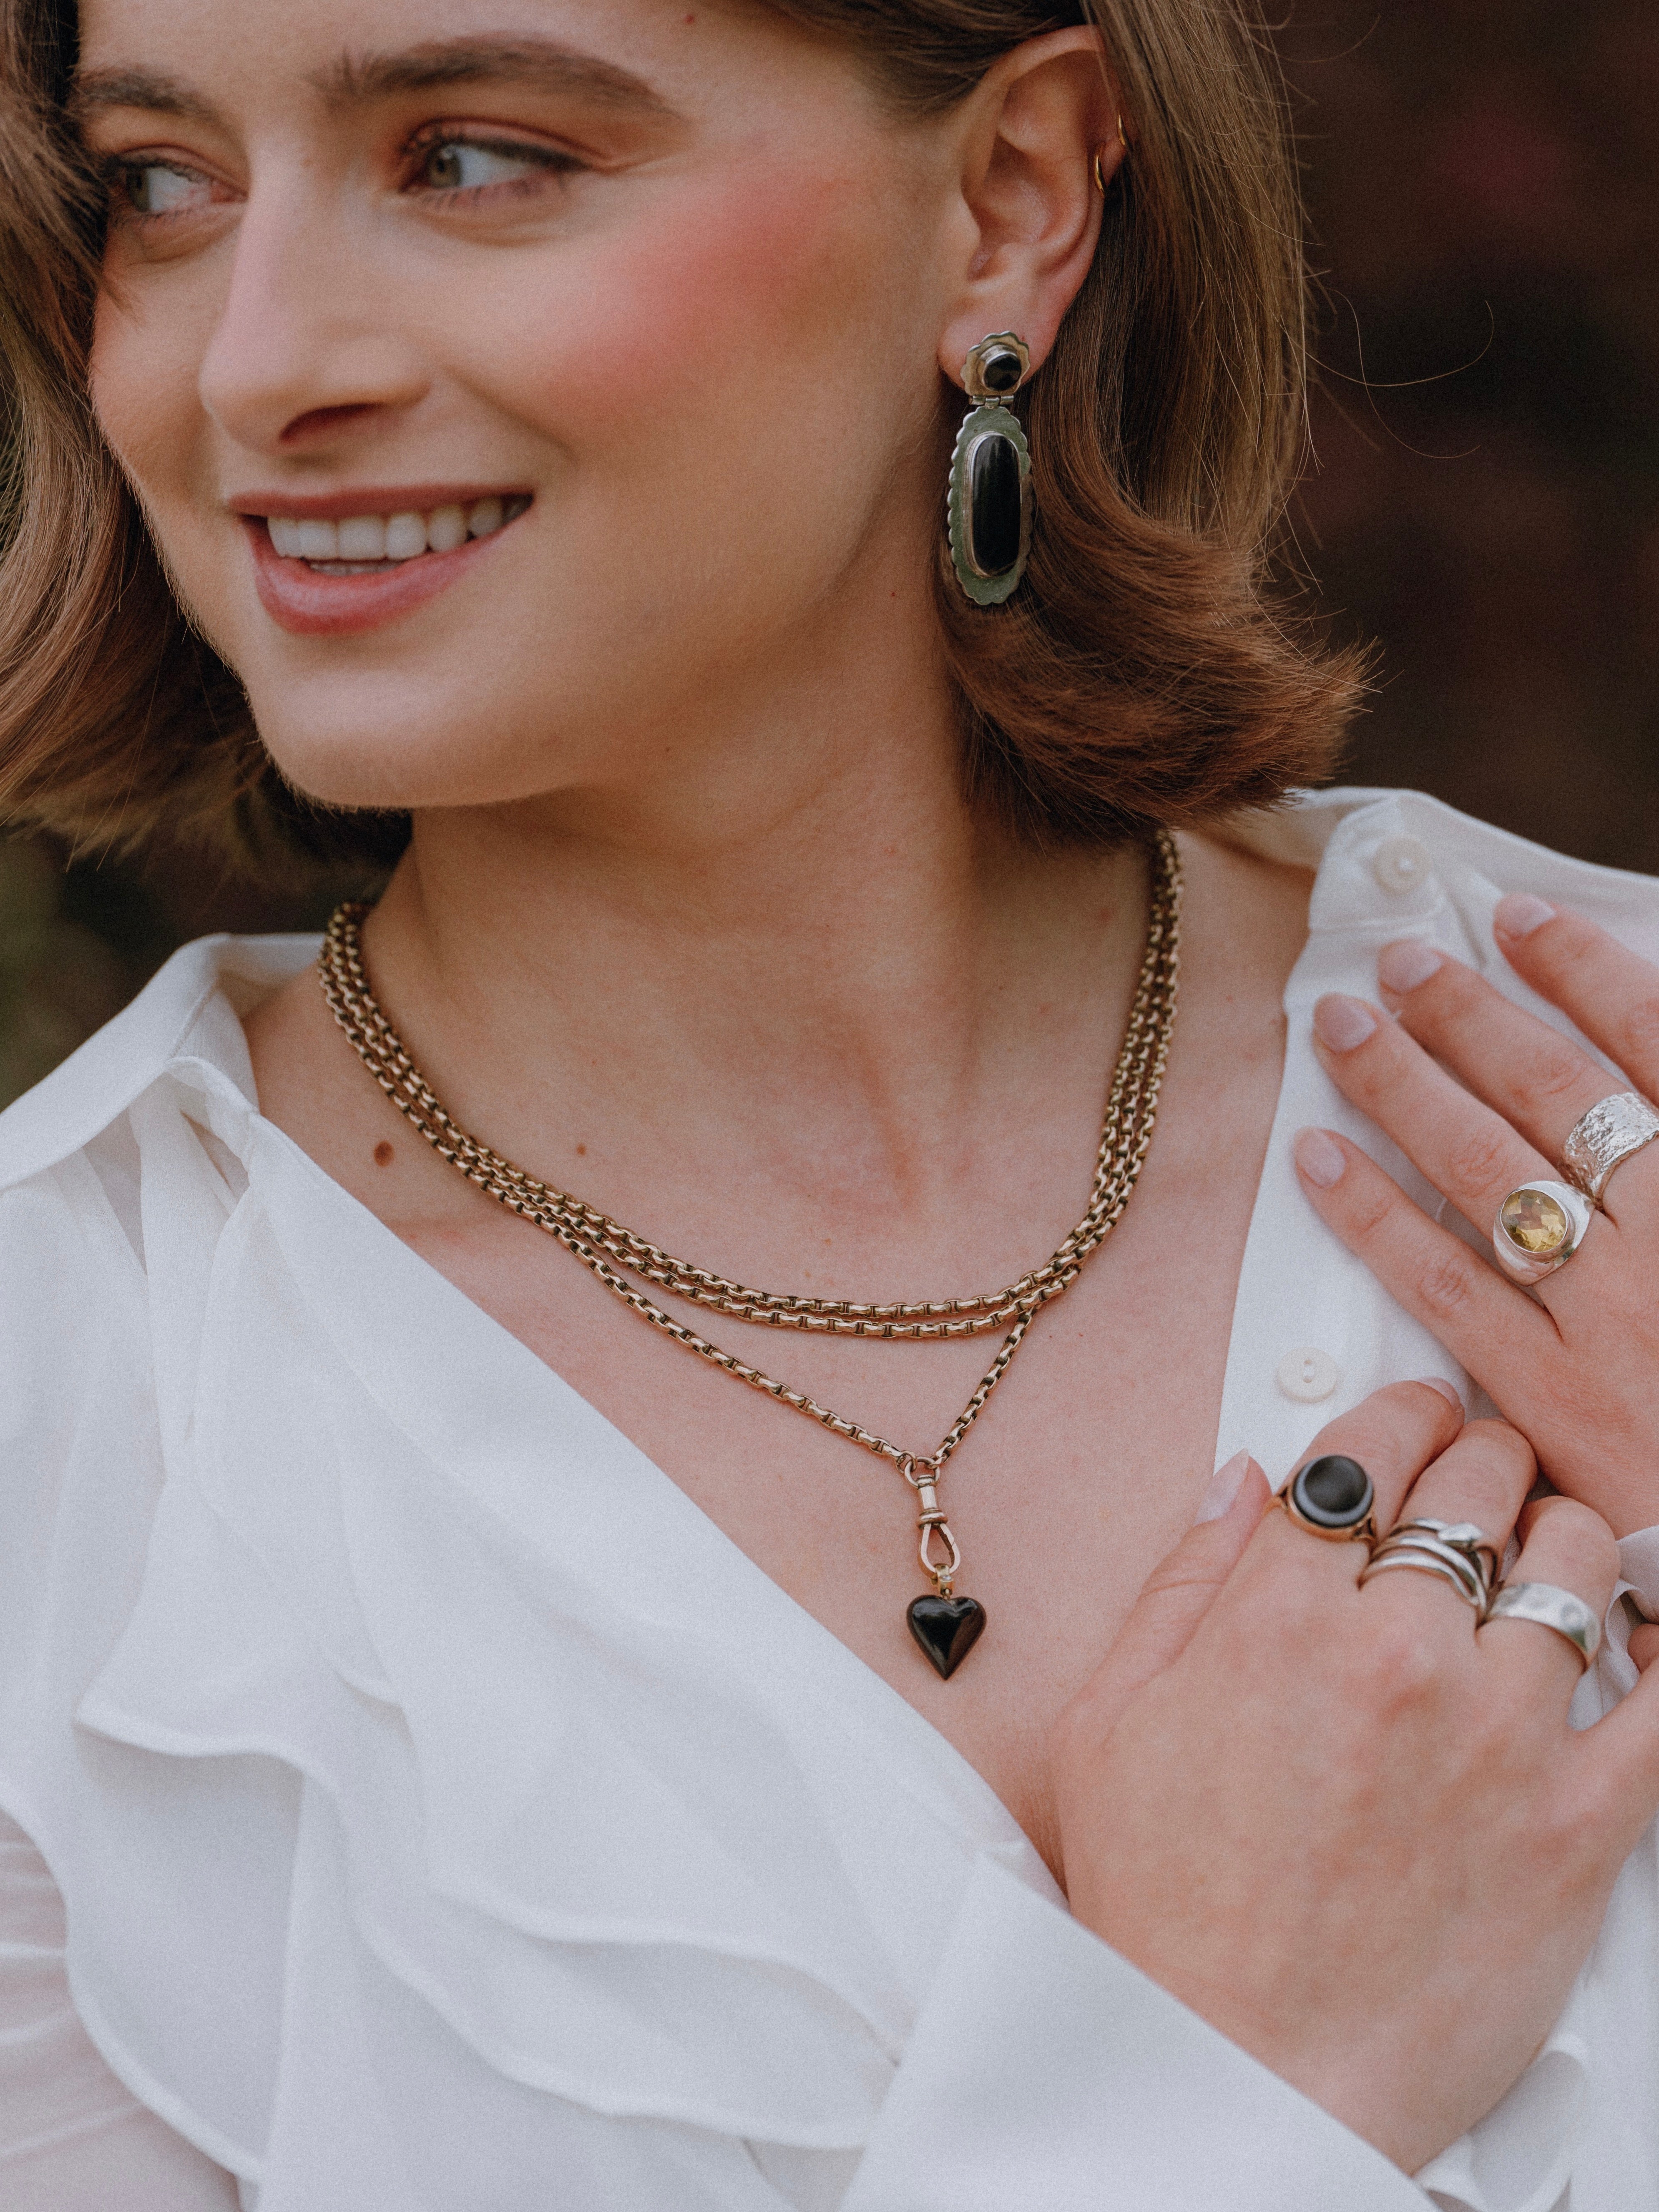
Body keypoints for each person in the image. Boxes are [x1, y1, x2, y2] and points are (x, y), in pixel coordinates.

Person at [3, 1, 1659, 2205]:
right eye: (164, 187)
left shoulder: (1614, 1074)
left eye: (474, 158)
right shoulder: (67, 1457)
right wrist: (1214, 2085)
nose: (251, 366)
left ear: (1010, 204)